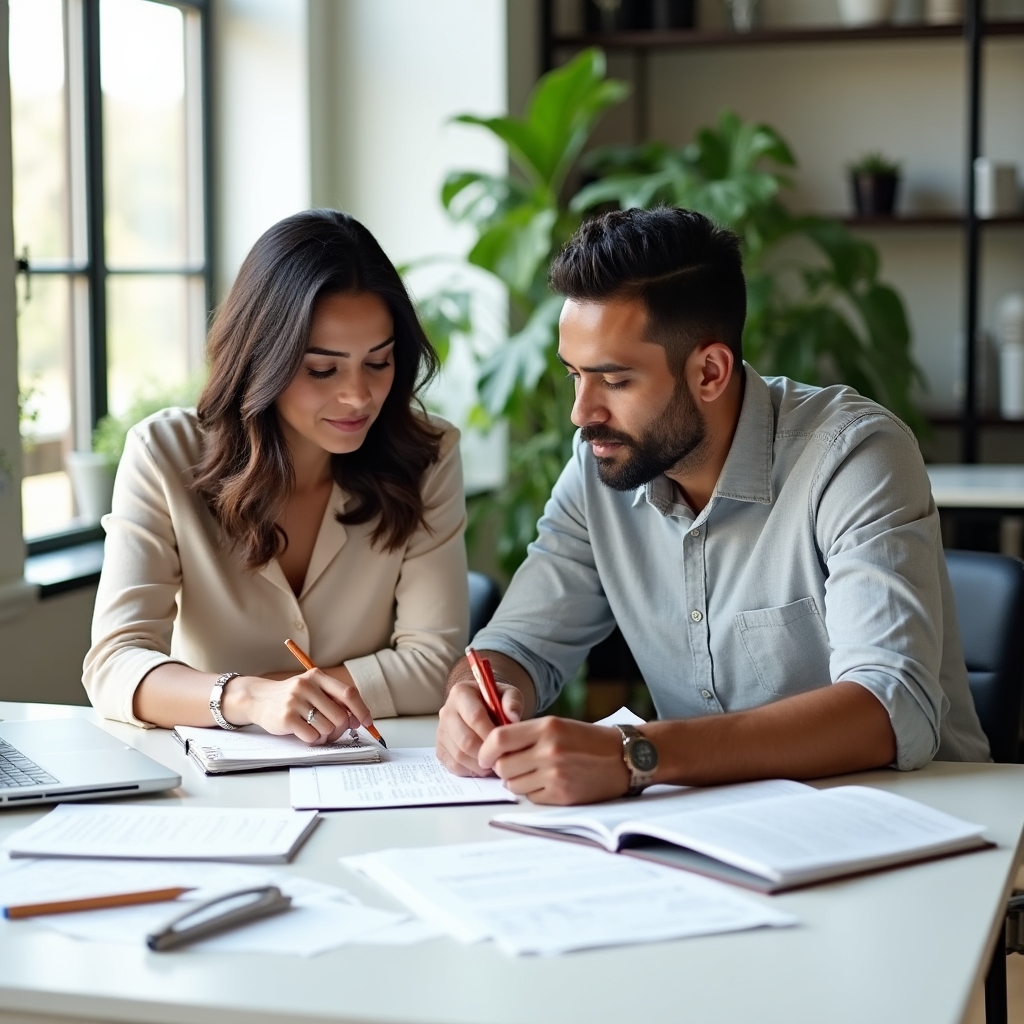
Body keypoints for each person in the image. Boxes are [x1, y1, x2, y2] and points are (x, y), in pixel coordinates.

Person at [436, 206, 989, 805]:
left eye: (615, 381)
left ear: (710, 371)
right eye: (574, 375)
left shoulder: (853, 456)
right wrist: (475, 696)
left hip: (917, 827)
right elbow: (516, 648)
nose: (582, 412)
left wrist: (637, 755)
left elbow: (888, 704)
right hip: (714, 834)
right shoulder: (601, 466)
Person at [84, 209, 468, 742]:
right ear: (262, 359)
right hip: (211, 785)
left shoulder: (426, 455)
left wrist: (296, 694)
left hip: (374, 771)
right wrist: (247, 698)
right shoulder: (163, 454)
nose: (358, 396)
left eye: (378, 363)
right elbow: (114, 665)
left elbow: (434, 663)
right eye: (322, 369)